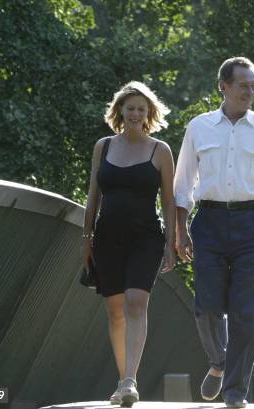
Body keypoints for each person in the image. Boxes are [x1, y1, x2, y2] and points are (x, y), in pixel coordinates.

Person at [173, 57, 254, 408]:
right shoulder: (199, 127)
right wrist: (180, 231)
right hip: (209, 222)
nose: (250, 91)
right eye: (243, 85)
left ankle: (235, 393)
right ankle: (219, 362)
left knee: (247, 312)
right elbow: (182, 183)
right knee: (206, 306)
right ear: (223, 86)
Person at [81, 81, 176, 407]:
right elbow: (93, 195)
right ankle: (124, 382)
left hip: (146, 237)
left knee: (136, 302)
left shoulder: (160, 150)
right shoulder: (103, 147)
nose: (136, 113)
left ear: (149, 113)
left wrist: (171, 242)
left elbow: (168, 200)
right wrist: (86, 239)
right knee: (115, 311)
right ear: (120, 110)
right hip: (107, 237)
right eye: (130, 107)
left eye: (141, 108)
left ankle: (129, 380)